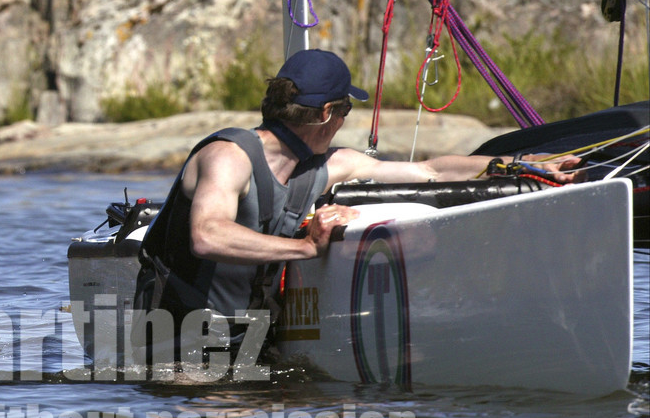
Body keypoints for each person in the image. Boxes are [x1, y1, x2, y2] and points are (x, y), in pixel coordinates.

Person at [135, 48, 577, 345]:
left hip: (245, 339)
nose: (345, 120)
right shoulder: (228, 156)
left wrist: (515, 164)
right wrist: (307, 247)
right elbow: (208, 236)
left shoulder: (332, 163)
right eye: (346, 109)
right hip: (177, 340)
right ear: (328, 112)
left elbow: (429, 170)